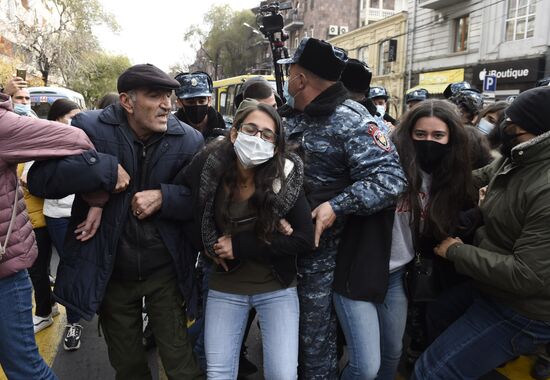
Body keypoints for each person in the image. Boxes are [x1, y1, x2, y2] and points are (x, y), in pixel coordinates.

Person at [28, 63, 205, 379]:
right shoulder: (89, 129)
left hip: (165, 271)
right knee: (128, 365)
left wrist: (165, 197)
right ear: (127, 101)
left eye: (170, 95)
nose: (168, 104)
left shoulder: (188, 140)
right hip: (112, 274)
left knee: (180, 363)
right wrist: (103, 170)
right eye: (156, 96)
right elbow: (41, 179)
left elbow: (203, 200)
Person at [278, 37, 406, 379]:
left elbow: (390, 179)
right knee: (282, 346)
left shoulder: (352, 120)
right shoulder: (288, 117)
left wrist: (336, 205)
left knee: (315, 349)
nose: (288, 81)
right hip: (277, 251)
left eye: (290, 74)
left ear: (300, 78)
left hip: (322, 261)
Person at [413, 87, 550, 379]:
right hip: (492, 287)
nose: (505, 129)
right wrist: (424, 179)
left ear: (540, 130)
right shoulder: (518, 158)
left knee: (430, 372)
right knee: (438, 315)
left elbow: (527, 275)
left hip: (522, 309)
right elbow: (472, 180)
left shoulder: (545, 186)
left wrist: (456, 251)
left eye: (515, 125)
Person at [177, 98, 314, 379]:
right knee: (218, 373)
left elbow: (304, 239)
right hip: (225, 286)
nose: (257, 139)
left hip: (276, 287)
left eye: (267, 134)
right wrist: (208, 247)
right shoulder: (209, 166)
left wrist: (239, 246)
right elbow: (185, 208)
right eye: (250, 130)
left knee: (282, 374)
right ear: (234, 132)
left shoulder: (285, 175)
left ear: (276, 144)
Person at [0, 78, 93, 379]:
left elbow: (79, 141)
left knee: (25, 369)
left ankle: (73, 317)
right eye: (22, 98)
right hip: (44, 223)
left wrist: (95, 192)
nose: (26, 104)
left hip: (5, 272)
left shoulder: (7, 127)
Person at [391, 100, 478, 367]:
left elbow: (462, 217)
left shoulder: (457, 174)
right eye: (420, 134)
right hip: (392, 266)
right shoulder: (391, 168)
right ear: (409, 135)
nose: (429, 141)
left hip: (432, 264)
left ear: (451, 138)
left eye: (438, 135)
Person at [174, 71, 226, 141]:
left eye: (201, 101)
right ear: (180, 102)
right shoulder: (172, 130)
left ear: (209, 100)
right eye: (190, 102)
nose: (197, 105)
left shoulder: (222, 131)